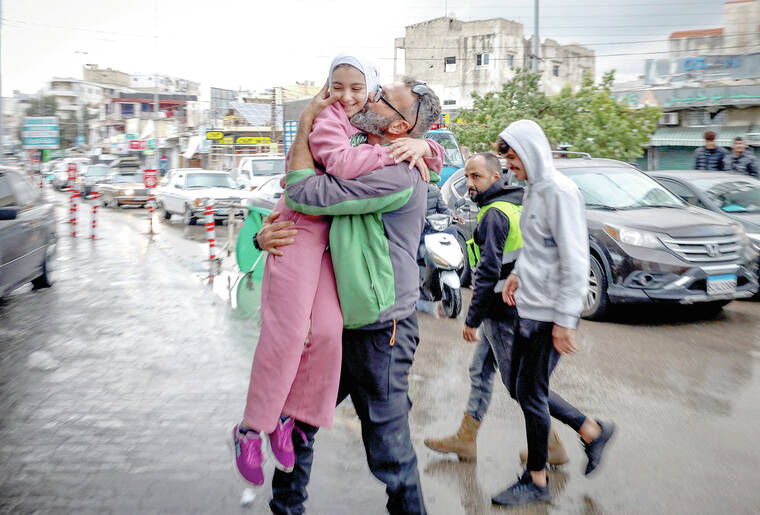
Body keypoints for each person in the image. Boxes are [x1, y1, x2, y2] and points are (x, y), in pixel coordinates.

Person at [232, 55, 444, 488]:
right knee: (299, 404)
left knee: (389, 450)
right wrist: (261, 237)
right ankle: (272, 467)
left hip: (381, 324)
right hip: (337, 300)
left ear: (401, 128)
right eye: (376, 91)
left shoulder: (399, 170)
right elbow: (298, 202)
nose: (370, 97)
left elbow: (306, 191)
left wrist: (429, 146)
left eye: (382, 97)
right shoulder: (361, 137)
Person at [498, 120, 616, 507]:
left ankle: (537, 479)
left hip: (551, 312)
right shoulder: (534, 190)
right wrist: (517, 274)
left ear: (530, 151)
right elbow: (537, 247)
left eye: (513, 157)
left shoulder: (561, 192)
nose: (510, 165)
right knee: (520, 386)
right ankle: (591, 430)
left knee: (530, 393)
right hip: (530, 304)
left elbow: (575, 258)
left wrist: (567, 319)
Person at [423, 153, 569, 466]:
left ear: (495, 176)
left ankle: (571, 434)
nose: (470, 184)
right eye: (468, 177)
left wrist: (471, 319)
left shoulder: (495, 214)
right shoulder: (514, 204)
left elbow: (487, 272)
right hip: (507, 307)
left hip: (502, 311)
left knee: (520, 386)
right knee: (481, 371)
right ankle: (466, 438)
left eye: (476, 176)